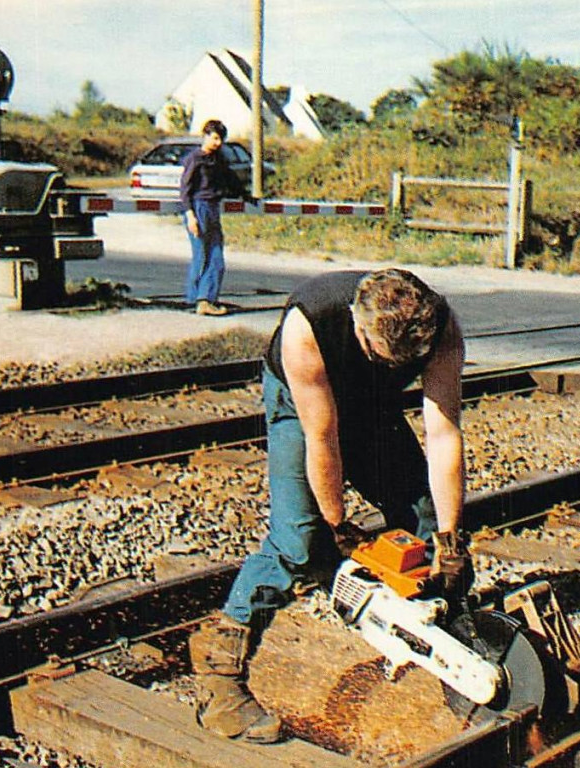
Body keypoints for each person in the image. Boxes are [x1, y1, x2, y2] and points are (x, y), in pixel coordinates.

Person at [190, 269, 473, 742]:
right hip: (302, 405)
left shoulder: (441, 329)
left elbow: (444, 433)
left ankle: (442, 644)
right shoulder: (310, 326)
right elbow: (322, 439)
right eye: (380, 357)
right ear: (359, 325)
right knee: (299, 539)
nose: (393, 366)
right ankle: (219, 678)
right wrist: (337, 526)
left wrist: (449, 542)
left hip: (373, 406)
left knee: (422, 515)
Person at [180, 119, 243, 316]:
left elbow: (230, 179)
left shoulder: (218, 160)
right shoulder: (195, 159)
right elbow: (185, 190)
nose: (218, 143)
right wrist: (191, 216)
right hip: (199, 209)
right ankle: (200, 299)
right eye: (214, 138)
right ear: (205, 136)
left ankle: (203, 299)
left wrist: (245, 194)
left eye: (220, 139)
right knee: (203, 255)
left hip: (213, 208)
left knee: (216, 257)